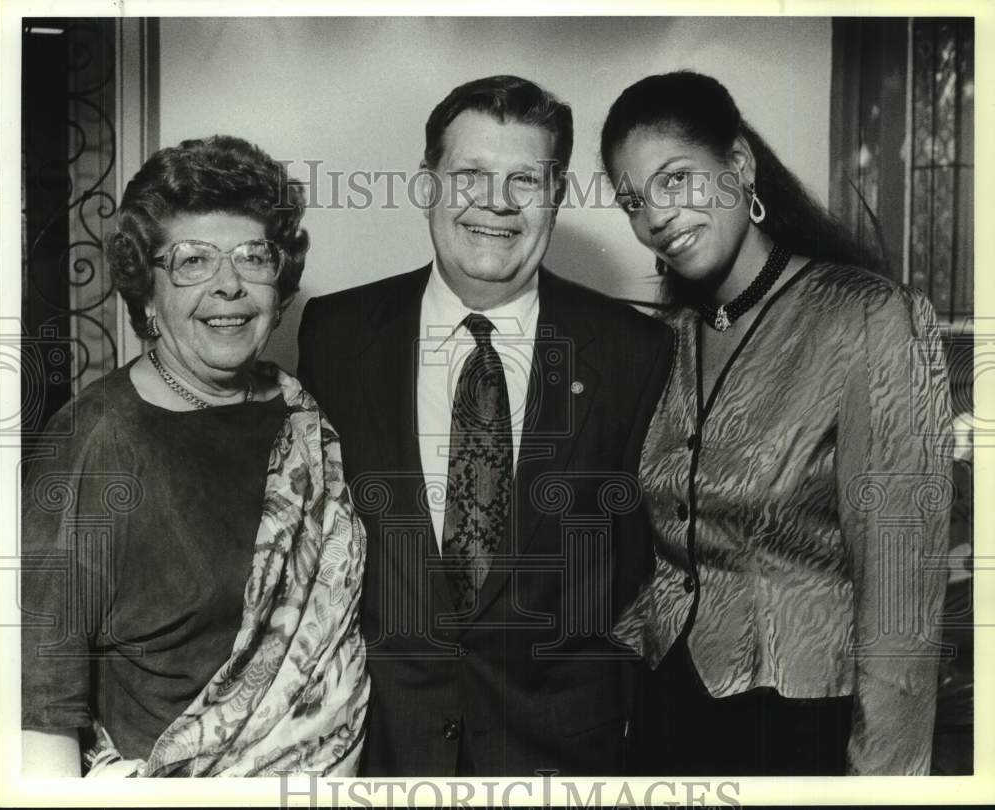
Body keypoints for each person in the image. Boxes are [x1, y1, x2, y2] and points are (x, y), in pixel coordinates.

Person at [298, 75, 674, 776]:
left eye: (525, 180)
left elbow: (640, 575)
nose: (496, 203)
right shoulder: (335, 336)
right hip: (379, 753)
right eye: (469, 175)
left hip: (561, 763)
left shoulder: (634, 351)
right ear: (428, 185)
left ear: (556, 196)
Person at [599, 71, 953, 775]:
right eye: (634, 201)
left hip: (798, 728)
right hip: (665, 714)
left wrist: (883, 783)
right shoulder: (666, 337)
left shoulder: (870, 318)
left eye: (676, 180)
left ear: (739, 165)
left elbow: (901, 598)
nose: (656, 218)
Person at [21, 135, 369, 777]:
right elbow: (40, 707)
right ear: (147, 293)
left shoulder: (300, 414)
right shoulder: (93, 442)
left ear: (280, 282)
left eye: (253, 257)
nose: (229, 285)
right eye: (193, 261)